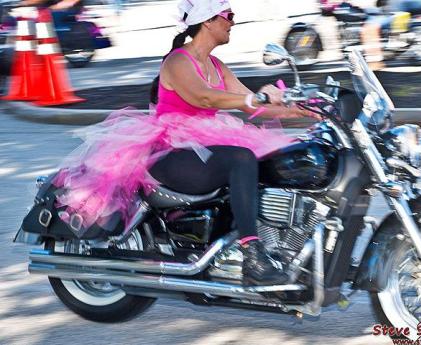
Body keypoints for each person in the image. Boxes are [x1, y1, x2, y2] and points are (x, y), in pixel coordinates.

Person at [53, 0, 320, 286]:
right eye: (228, 15)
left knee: (278, 158)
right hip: (171, 152)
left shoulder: (216, 65)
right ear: (207, 20)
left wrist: (305, 110)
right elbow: (204, 97)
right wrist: (255, 98)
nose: (232, 21)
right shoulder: (179, 60)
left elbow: (255, 107)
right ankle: (251, 255)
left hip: (202, 147)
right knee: (241, 158)